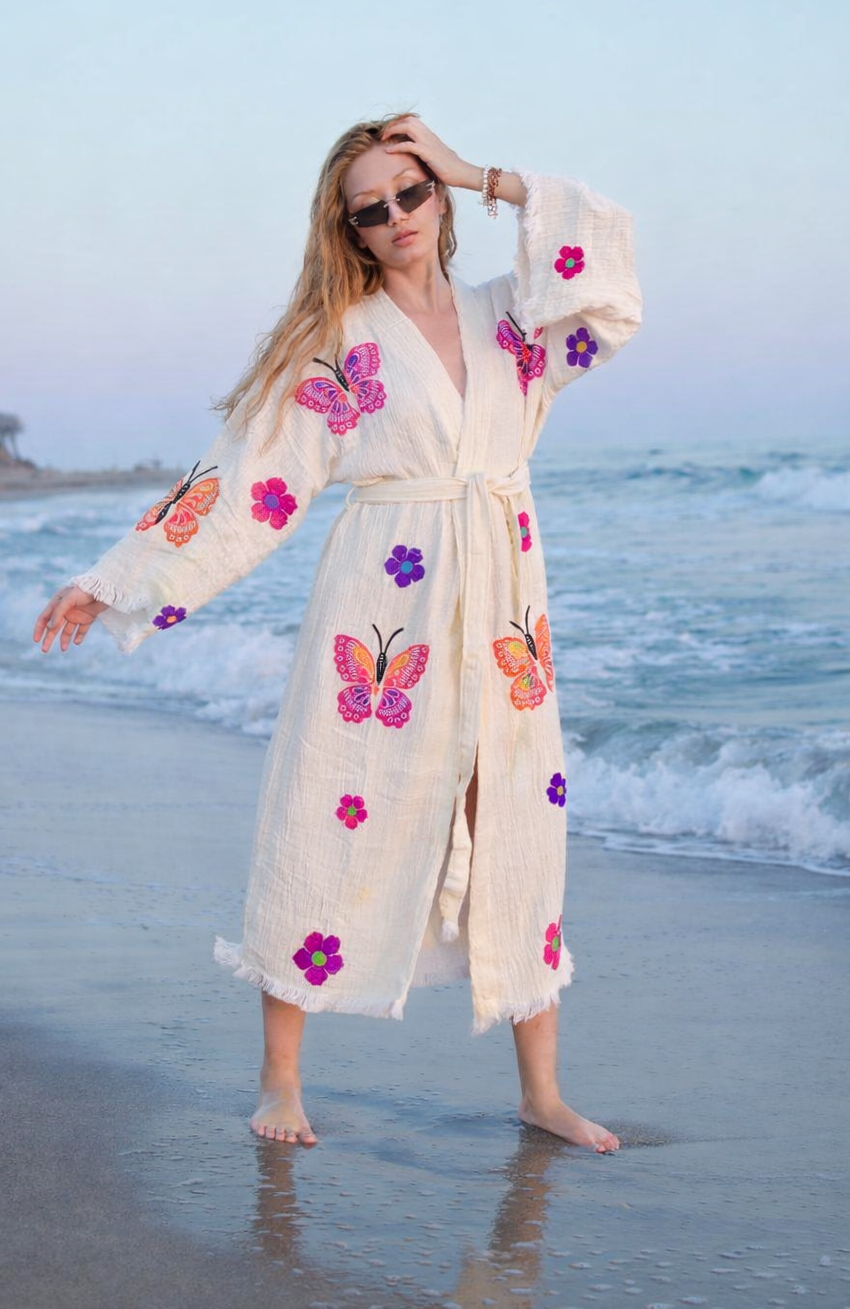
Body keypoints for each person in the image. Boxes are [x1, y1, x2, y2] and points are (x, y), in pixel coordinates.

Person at [33, 112, 643, 1153]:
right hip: (384, 603)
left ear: (437, 200)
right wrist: (116, 580)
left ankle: (541, 1093)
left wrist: (480, 170)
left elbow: (611, 285)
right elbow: (246, 483)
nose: (397, 216)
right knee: (327, 805)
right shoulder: (339, 345)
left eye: (413, 193)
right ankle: (281, 1081)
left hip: (503, 596)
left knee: (514, 823)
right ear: (348, 230)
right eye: (372, 208)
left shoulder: (513, 319)